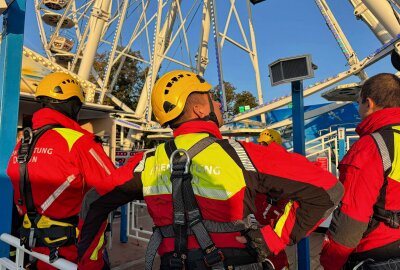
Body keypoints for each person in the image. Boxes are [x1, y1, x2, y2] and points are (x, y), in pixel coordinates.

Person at [77, 70, 343, 270]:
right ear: (199, 108)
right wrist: (270, 240)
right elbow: (328, 189)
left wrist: (90, 261)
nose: (218, 105)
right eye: (213, 99)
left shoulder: (145, 162)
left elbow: (94, 202)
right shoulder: (243, 155)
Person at [7, 72, 115, 270]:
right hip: (74, 255)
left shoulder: (23, 144)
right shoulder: (80, 142)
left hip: (36, 251)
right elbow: (115, 185)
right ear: (73, 105)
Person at [320, 73, 400, 270]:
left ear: (368, 103)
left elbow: (351, 218)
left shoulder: (370, 147)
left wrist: (331, 262)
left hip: (378, 254)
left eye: (359, 102)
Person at [255, 129, 289, 270]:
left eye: (264, 143)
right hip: (267, 208)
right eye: (261, 143)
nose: (262, 146)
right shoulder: (277, 160)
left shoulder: (276, 162)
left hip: (270, 210)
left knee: (273, 245)